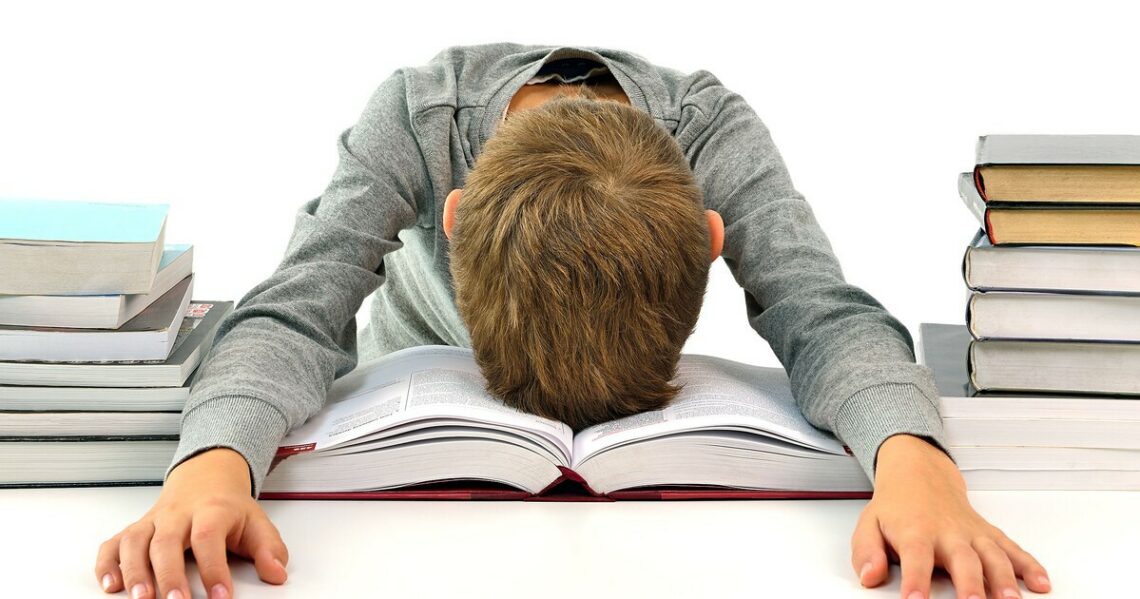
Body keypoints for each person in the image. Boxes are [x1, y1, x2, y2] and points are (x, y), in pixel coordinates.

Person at [94, 43, 1051, 599]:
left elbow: (822, 311)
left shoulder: (712, 131)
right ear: (455, 216)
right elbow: (296, 306)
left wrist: (916, 464)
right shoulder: (417, 116)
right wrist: (210, 463)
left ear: (709, 236)